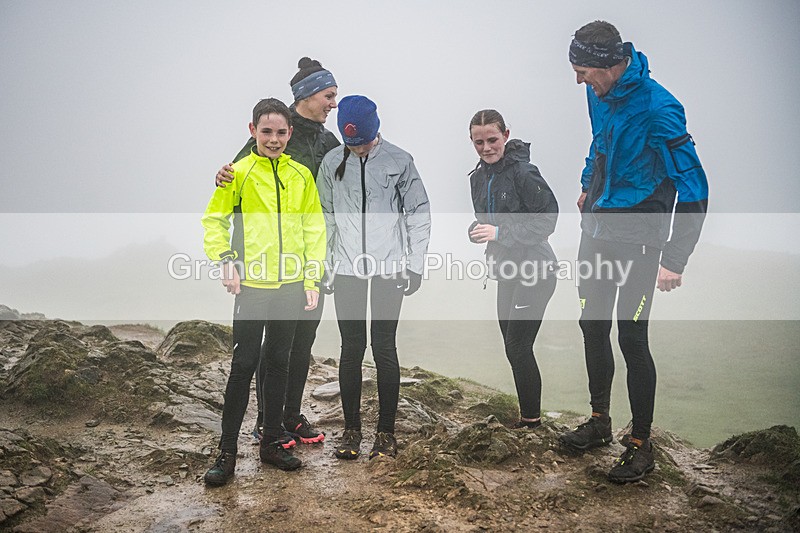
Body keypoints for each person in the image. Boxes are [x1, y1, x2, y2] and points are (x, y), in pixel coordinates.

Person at [559, 21, 709, 484]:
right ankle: (599, 421)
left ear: (609, 64)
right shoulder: (598, 93)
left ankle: (642, 444)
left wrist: (675, 258)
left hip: (641, 239)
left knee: (632, 337)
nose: (579, 81)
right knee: (592, 325)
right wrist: (588, 185)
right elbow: (599, 144)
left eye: (584, 71)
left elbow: (695, 187)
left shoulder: (660, 108)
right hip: (597, 229)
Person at [201, 98, 326, 485]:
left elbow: (314, 229)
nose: (274, 139)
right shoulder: (237, 173)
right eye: (266, 131)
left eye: (281, 132)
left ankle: (271, 443)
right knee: (243, 365)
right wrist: (225, 260)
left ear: (290, 133)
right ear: (252, 130)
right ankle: (226, 453)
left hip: (291, 286)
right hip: (252, 286)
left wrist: (310, 279)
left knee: (278, 362)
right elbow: (215, 220)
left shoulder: (301, 175)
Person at [216, 58, 339, 446]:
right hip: (267, 266)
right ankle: (266, 422)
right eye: (328, 95)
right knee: (272, 348)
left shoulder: (329, 142)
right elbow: (237, 177)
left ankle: (289, 415)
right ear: (307, 96)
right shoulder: (277, 133)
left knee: (300, 344)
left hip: (311, 258)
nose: (333, 103)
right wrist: (222, 176)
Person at [317, 95, 431, 460]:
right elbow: (324, 217)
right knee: (351, 348)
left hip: (389, 267)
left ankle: (386, 433)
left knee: (383, 348)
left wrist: (415, 264)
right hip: (346, 268)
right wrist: (324, 265)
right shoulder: (332, 162)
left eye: (363, 142)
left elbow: (418, 213)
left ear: (375, 131)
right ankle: (351, 430)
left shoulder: (400, 161)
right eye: (351, 144)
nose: (358, 149)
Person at [467, 109, 559, 430]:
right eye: (478, 142)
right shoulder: (478, 177)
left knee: (518, 346)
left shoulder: (524, 172)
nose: (486, 148)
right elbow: (487, 221)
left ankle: (531, 424)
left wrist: (500, 233)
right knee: (512, 346)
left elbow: (548, 219)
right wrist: (477, 231)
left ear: (506, 135)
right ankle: (528, 417)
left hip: (536, 271)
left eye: (492, 139)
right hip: (506, 270)